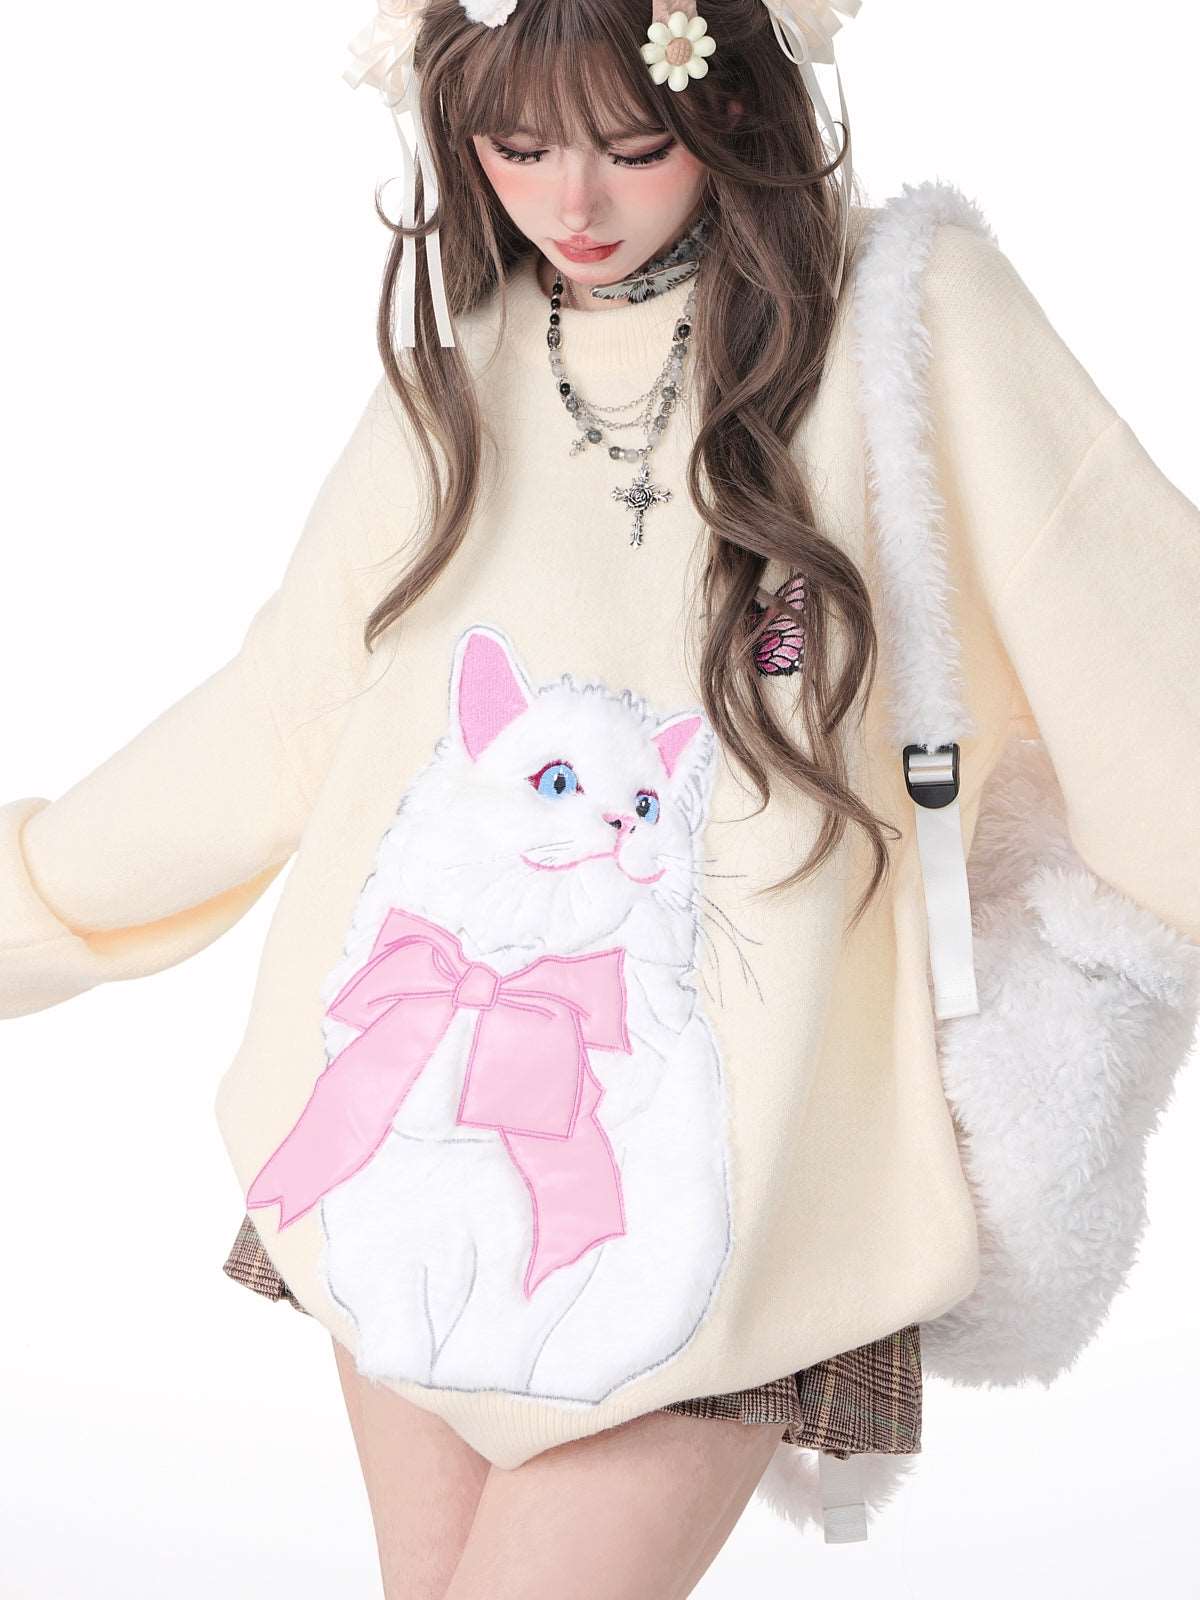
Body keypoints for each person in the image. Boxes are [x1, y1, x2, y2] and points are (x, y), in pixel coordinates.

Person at [3, 0, 1197, 1594]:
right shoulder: (463, 374)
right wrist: (30, 904)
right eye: (518, 148)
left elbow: (1147, 643)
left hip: (732, 1188)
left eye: (635, 147)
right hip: (409, 1130)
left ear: (731, 95)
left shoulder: (909, 322)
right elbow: (275, 722)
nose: (572, 204)